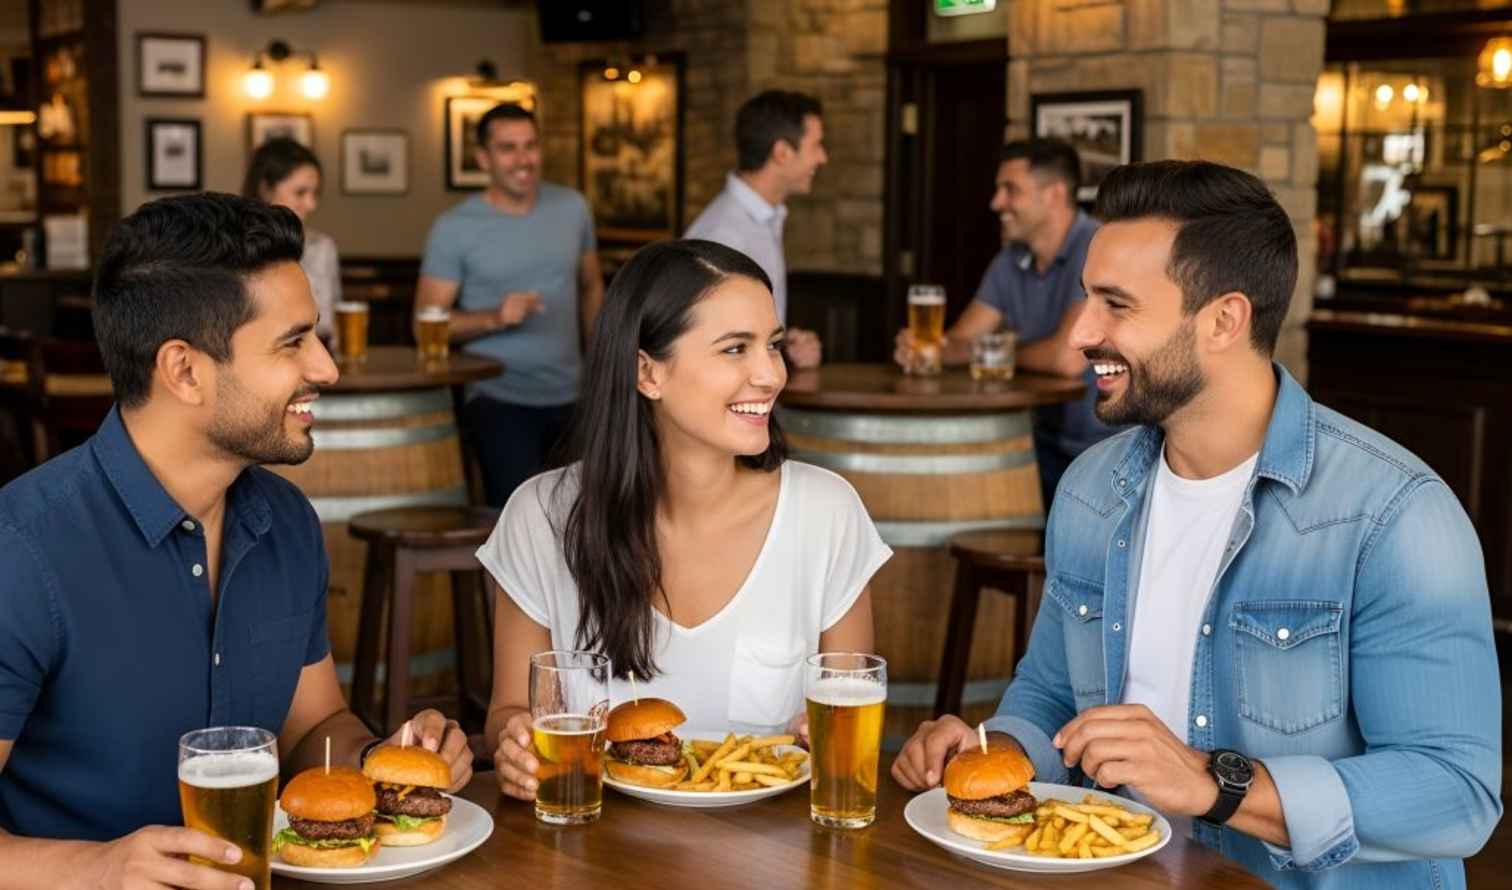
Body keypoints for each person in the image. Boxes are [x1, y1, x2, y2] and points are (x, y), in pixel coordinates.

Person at [891, 161, 1502, 889]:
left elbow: (1455, 795)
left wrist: (1220, 784)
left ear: (1223, 320)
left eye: (1116, 305)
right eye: (1087, 298)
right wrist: (991, 750)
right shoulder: (1092, 489)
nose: (1083, 331)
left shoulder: (1394, 513)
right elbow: (1051, 699)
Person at [0, 193, 474, 889]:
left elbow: (316, 729)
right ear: (185, 370)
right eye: (293, 342)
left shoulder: (286, 521)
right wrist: (97, 867)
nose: (327, 368)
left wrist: (389, 761)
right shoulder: (24, 548)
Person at [480, 239, 892, 802]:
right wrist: (515, 744)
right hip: (589, 849)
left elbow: (846, 719)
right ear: (647, 373)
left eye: (772, 346)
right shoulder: (540, 517)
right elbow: (510, 710)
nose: (770, 374)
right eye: (734, 350)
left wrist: (816, 740)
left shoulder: (827, 513)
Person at [894, 139, 1118, 509]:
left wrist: (987, 351)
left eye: (1010, 190)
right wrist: (925, 348)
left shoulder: (1095, 245)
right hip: (1036, 443)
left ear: (1054, 194)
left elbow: (1067, 359)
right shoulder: (1012, 258)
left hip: (1104, 449)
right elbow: (960, 341)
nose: (996, 203)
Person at [416, 103, 604, 507]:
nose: (524, 159)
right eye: (508, 148)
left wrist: (602, 367)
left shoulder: (572, 207)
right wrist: (495, 317)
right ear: (483, 158)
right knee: (518, 525)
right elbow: (426, 324)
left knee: (584, 522)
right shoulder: (455, 228)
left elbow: (591, 287)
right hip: (498, 398)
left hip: (574, 396)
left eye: (531, 145)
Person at [685, 90, 826, 370]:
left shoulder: (764, 219)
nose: (823, 157)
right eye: (816, 145)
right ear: (782, 153)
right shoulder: (722, 235)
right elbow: (703, 345)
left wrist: (784, 345)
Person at [243, 138, 341, 346]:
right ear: (265, 188)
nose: (311, 204)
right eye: (300, 192)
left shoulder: (323, 247)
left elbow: (333, 322)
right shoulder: (236, 247)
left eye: (315, 194)